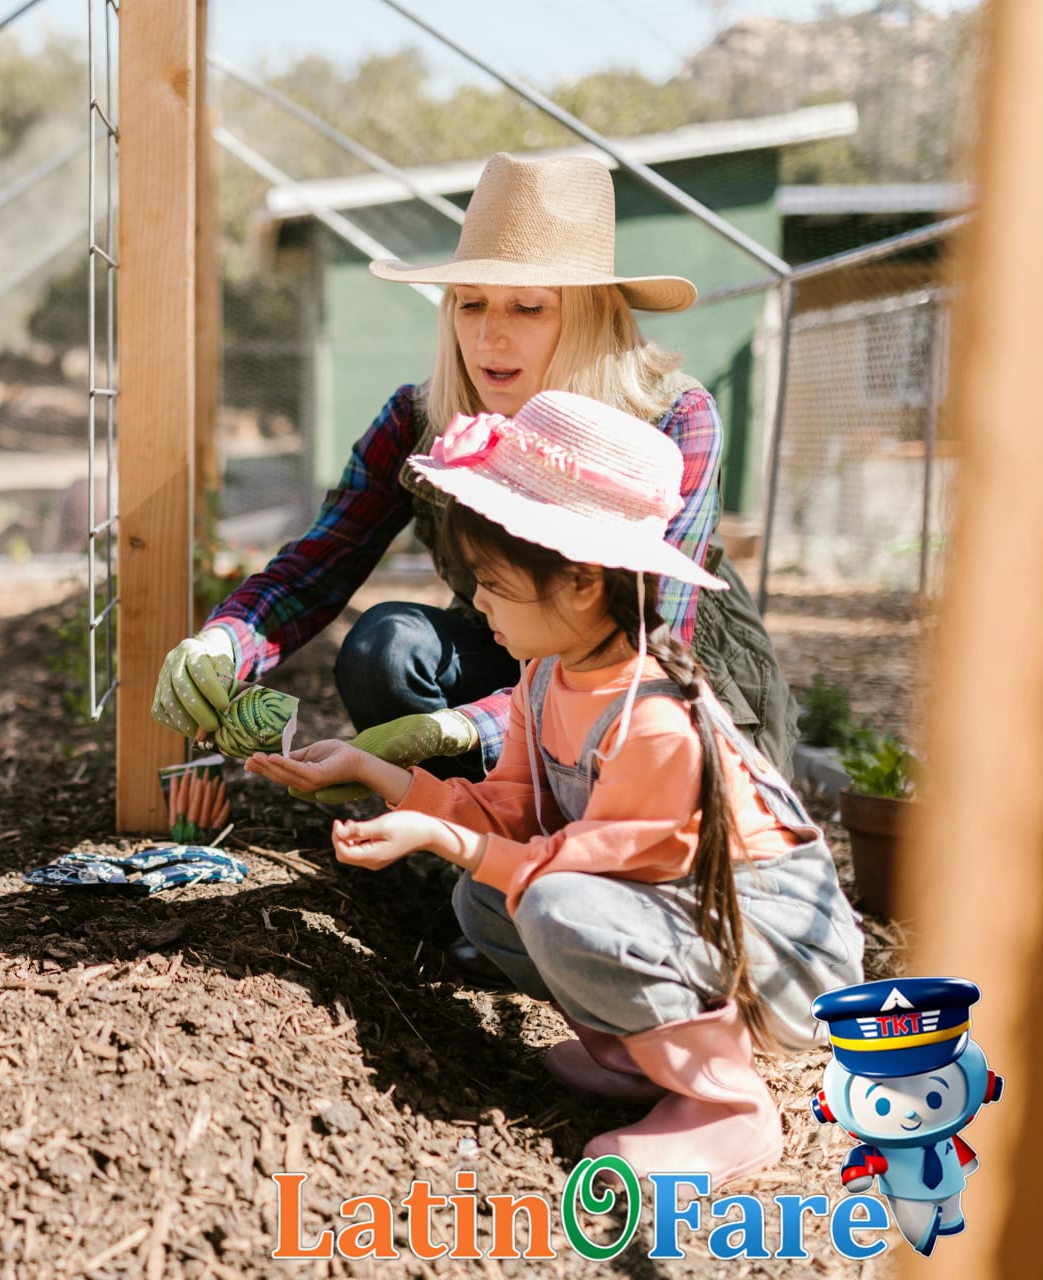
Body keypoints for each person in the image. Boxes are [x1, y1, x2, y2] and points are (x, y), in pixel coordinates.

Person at [248, 390, 861, 1188]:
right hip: (685, 925)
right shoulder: (548, 678)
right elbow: (512, 815)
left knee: (552, 901)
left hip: (780, 955)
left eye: (493, 585)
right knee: (486, 902)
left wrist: (442, 837)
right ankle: (640, 1059)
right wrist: (376, 771)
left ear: (578, 583)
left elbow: (577, 864)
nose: (476, 604)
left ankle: (728, 1107)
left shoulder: (657, 722)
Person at [152, 152, 795, 787]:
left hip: (652, 694)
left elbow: (648, 648)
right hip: (509, 651)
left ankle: (517, 839)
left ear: (592, 312)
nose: (490, 338)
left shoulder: (676, 419)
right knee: (386, 645)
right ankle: (449, 838)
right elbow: (316, 568)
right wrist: (225, 643)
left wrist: (463, 729)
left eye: (528, 307)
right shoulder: (418, 418)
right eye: (470, 303)